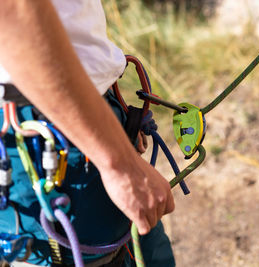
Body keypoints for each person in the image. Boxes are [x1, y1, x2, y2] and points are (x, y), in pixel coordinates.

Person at [0, 0, 175, 266]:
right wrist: (119, 163)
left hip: (73, 114)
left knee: (145, 247)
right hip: (52, 126)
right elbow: (13, 13)